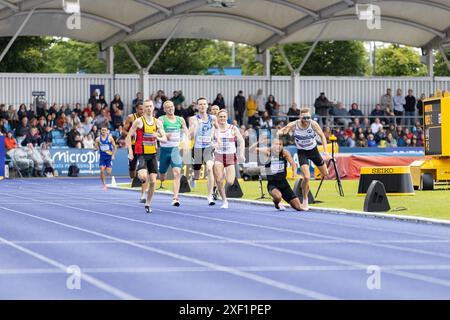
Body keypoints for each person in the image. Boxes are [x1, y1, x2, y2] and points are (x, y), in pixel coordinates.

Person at [278, 108, 329, 211]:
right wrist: (280, 132)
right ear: (300, 117)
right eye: (304, 118)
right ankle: (305, 201)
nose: (306, 120)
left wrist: (326, 151)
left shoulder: (313, 124)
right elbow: (284, 130)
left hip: (313, 151)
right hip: (302, 153)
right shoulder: (294, 124)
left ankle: (305, 192)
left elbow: (322, 136)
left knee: (326, 173)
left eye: (308, 118)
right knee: (306, 177)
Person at [126, 100, 167, 214]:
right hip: (142, 154)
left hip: (153, 154)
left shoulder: (158, 122)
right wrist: (130, 151)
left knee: (153, 182)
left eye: (150, 106)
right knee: (143, 177)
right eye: (146, 107)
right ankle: (140, 177)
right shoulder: (138, 122)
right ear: (143, 109)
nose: (149, 108)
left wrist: (157, 137)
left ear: (153, 108)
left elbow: (164, 138)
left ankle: (148, 203)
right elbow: (128, 137)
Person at [250, 138, 304, 211]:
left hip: (284, 184)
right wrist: (258, 142)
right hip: (273, 184)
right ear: (272, 145)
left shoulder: (285, 153)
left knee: (299, 207)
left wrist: (294, 173)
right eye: (276, 144)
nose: (278, 146)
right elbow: (250, 150)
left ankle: (284, 200)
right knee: (278, 197)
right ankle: (276, 203)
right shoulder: (268, 152)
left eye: (280, 144)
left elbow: (294, 165)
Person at [158, 101, 190, 207]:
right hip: (164, 150)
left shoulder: (180, 119)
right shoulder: (161, 119)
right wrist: (166, 135)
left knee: (177, 173)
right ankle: (162, 177)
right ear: (164, 109)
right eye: (168, 107)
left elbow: (186, 131)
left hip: (175, 150)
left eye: (171, 106)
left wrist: (186, 139)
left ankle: (175, 198)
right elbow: (157, 132)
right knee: (162, 176)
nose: (170, 108)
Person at [212, 109, 245, 209]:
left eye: (224, 117)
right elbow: (209, 141)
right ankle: (224, 200)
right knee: (219, 179)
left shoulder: (233, 128)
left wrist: (241, 154)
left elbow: (242, 141)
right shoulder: (214, 129)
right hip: (218, 156)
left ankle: (221, 184)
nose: (222, 118)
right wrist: (214, 144)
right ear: (217, 117)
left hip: (230, 156)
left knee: (230, 181)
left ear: (227, 117)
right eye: (220, 117)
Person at [189, 97, 217, 206]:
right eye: (200, 104)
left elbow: (217, 129)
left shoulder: (213, 118)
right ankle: (193, 177)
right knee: (197, 174)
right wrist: (196, 126)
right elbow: (191, 134)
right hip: (197, 149)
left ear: (207, 106)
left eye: (204, 104)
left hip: (208, 148)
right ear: (197, 106)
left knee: (209, 169)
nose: (202, 106)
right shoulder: (193, 118)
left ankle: (210, 196)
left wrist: (216, 139)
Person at [123, 102, 148, 203]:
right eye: (141, 109)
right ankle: (136, 174)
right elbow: (123, 131)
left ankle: (143, 195)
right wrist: (131, 135)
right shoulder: (130, 118)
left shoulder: (148, 118)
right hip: (133, 146)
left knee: (144, 170)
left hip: (143, 147)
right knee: (132, 172)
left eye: (144, 109)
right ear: (136, 110)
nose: (142, 111)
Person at [94, 126, 117, 191]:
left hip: (109, 157)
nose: (103, 131)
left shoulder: (110, 138)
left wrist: (113, 155)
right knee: (101, 170)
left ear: (107, 131)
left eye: (104, 130)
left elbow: (115, 147)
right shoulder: (98, 139)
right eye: (102, 130)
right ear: (101, 131)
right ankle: (104, 184)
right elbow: (96, 147)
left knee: (108, 172)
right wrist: (95, 149)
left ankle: (107, 167)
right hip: (102, 157)